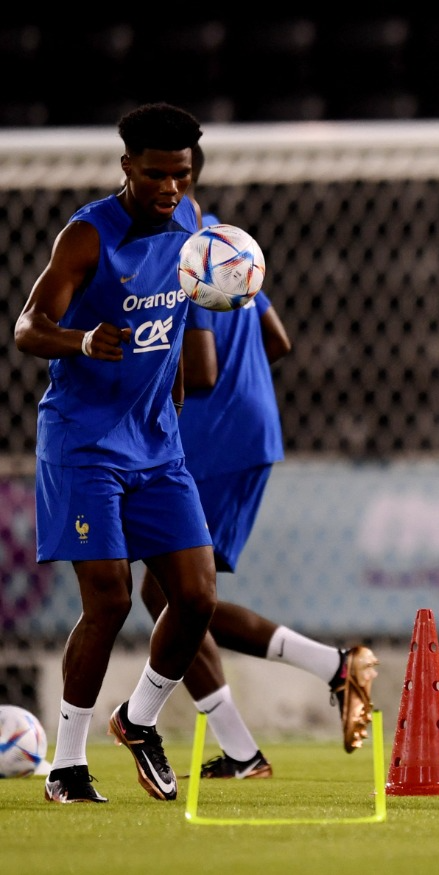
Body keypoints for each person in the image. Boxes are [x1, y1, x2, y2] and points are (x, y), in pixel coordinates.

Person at [137, 143, 379, 779]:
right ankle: (253, 741)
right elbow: (278, 340)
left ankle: (324, 676)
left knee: (174, 596)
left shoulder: (177, 253)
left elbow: (202, 373)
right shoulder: (227, 242)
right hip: (250, 428)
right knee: (178, 596)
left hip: (211, 438)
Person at [14, 103, 215, 803]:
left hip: (158, 447)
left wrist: (175, 404)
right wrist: (81, 339)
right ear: (127, 167)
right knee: (109, 597)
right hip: (84, 445)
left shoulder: (192, 230)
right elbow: (27, 326)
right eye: (156, 174)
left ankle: (137, 717)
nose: (169, 188)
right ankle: (65, 764)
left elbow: (178, 327)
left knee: (195, 595)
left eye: (180, 176)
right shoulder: (87, 237)